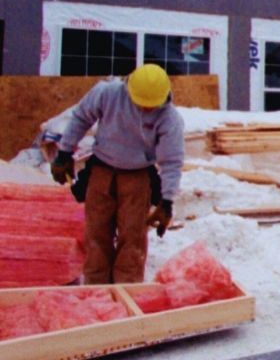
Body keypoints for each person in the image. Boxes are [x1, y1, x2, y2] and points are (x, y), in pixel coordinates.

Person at [50, 64, 185, 284]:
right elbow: (81, 118)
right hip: (101, 170)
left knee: (132, 238)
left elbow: (171, 161)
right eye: (141, 103)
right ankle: (96, 289)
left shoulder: (169, 119)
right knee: (96, 234)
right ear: (128, 89)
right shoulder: (107, 93)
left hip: (137, 177)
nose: (146, 109)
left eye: (152, 106)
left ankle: (127, 290)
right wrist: (64, 153)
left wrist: (166, 202)